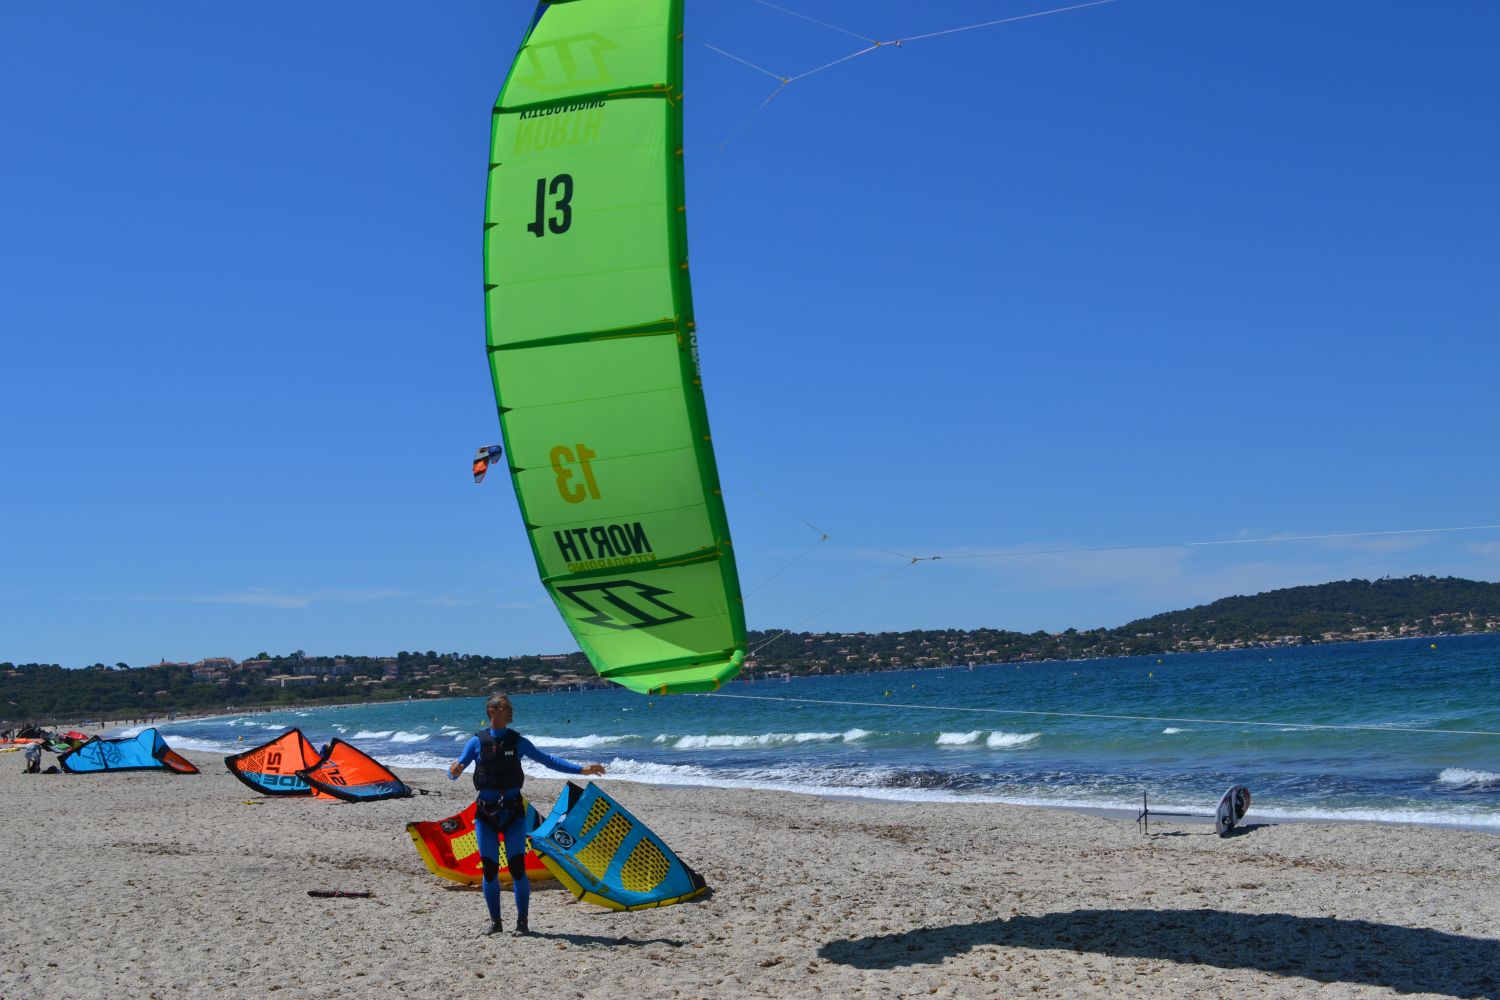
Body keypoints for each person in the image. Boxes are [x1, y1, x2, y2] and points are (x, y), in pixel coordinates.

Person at [448, 693, 604, 936]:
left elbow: (547, 760)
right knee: (489, 869)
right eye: (507, 708)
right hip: (485, 814)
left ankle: (522, 923)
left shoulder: (518, 741)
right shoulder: (476, 742)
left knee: (517, 867)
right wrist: (454, 772)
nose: (512, 712)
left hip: (513, 812)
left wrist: (581, 769)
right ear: (492, 711)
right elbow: (456, 770)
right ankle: (495, 922)